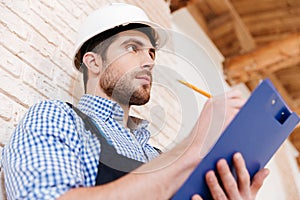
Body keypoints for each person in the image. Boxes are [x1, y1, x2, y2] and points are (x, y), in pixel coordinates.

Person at [1, 3, 269, 200]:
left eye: (152, 52)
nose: (149, 61)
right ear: (93, 61)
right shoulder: (57, 118)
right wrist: (191, 148)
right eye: (133, 47)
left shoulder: (156, 156)